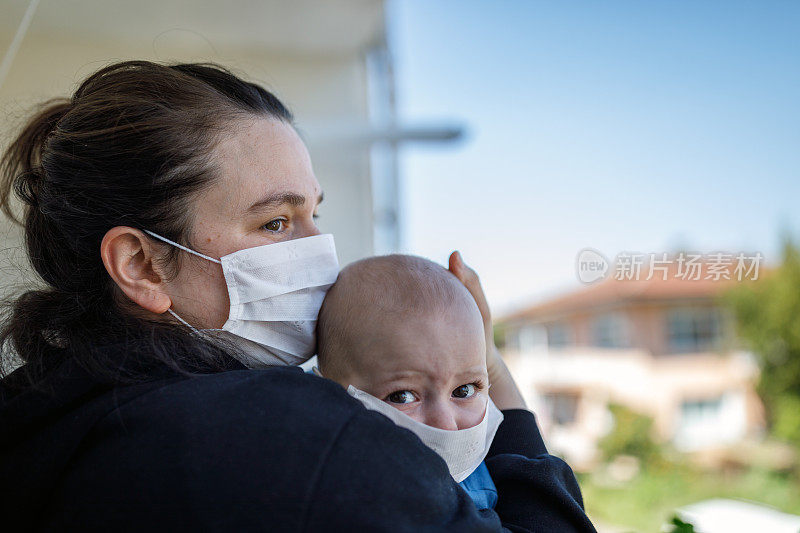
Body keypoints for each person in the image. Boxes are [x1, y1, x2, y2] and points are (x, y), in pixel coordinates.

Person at [0, 60, 596, 532]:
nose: (323, 257)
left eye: (313, 214)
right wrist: (485, 363)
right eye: (276, 224)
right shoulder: (287, 433)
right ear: (142, 265)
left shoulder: (43, 416)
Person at [315, 254, 506, 511]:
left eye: (464, 390)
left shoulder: (489, 467)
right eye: (402, 396)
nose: (447, 426)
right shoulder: (348, 499)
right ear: (325, 393)